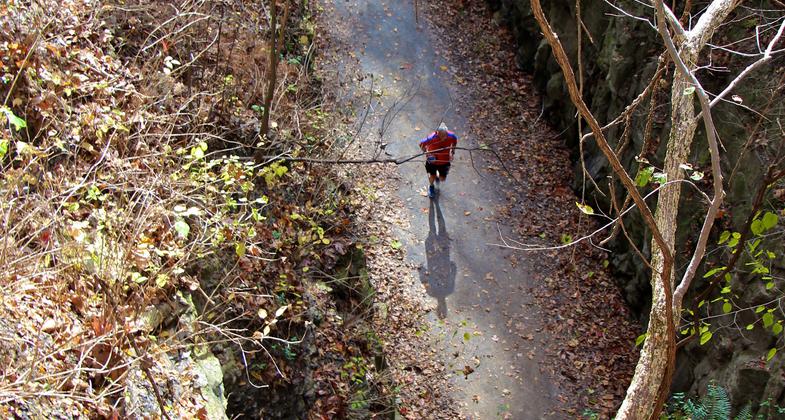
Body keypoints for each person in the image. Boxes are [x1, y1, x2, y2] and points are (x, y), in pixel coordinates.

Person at [419, 122, 458, 198]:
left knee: (442, 179)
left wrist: (452, 152)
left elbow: (454, 142)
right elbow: (421, 143)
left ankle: (437, 177)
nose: (443, 138)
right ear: (437, 133)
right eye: (441, 136)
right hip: (432, 161)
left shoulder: (451, 136)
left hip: (444, 161)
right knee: (432, 176)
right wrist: (426, 152)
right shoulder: (431, 137)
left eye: (445, 135)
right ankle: (431, 187)